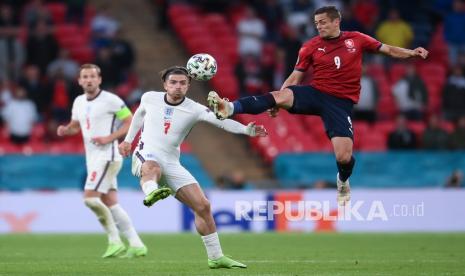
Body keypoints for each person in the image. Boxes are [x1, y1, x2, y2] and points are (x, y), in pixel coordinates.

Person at [207, 5, 429, 206]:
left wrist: (411, 53)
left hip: (340, 103)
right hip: (317, 93)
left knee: (343, 157)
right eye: (316, 24)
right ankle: (230, 108)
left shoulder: (357, 39)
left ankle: (342, 181)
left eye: (323, 22)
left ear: (336, 21)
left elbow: (388, 50)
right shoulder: (310, 47)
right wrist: (281, 100)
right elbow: (296, 76)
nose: (319, 27)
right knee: (276, 94)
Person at [118, 66, 267, 269]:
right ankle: (151, 192)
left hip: (171, 161)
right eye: (173, 82)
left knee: (203, 206)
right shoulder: (149, 97)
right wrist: (128, 140)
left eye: (182, 83)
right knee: (152, 168)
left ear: (188, 86)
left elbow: (221, 122)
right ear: (165, 85)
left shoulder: (194, 109)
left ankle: (216, 257)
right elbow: (138, 116)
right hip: (146, 153)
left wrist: (247, 130)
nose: (177, 86)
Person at [57, 64, 147, 258]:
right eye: (85, 77)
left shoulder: (111, 100)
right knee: (111, 203)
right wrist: (66, 130)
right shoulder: (79, 101)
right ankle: (136, 244)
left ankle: (114, 241)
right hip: (93, 158)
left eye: (92, 76)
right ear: (79, 81)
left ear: (99, 79)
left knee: (90, 198)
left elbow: (130, 121)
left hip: (108, 156)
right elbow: (75, 126)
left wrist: (110, 137)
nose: (89, 80)